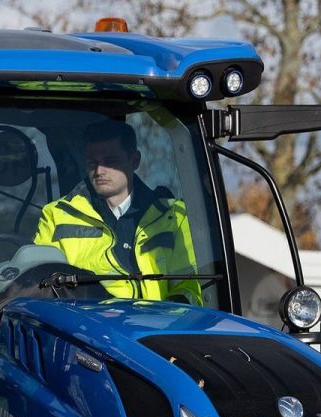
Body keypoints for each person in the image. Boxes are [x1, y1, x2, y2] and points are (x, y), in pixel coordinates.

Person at [34, 119, 203, 303]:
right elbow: (40, 285)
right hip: (80, 321)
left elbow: (189, 288)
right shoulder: (56, 216)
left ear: (134, 161)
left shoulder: (175, 216)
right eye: (92, 162)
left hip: (157, 320)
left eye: (110, 162)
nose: (99, 170)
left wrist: (164, 317)